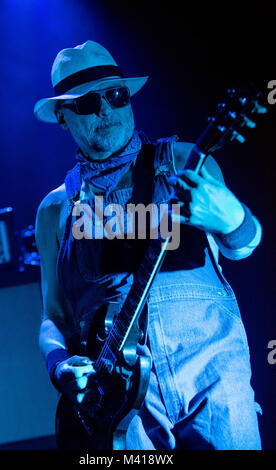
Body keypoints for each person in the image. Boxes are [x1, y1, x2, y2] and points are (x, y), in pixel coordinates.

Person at [34, 40, 263, 450]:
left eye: (116, 95)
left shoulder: (185, 161)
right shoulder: (54, 209)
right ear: (62, 117)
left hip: (213, 381)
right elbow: (54, 316)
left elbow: (242, 246)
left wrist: (233, 218)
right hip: (122, 409)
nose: (106, 109)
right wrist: (59, 366)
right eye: (87, 102)